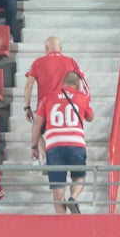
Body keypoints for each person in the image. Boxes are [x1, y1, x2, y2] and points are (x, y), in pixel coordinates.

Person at [33, 71, 92, 214]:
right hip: (76, 143)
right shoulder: (82, 97)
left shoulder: (48, 98)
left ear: (62, 83)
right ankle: (73, 197)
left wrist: (34, 146)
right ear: (77, 84)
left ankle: (61, 220)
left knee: (58, 188)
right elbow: (90, 117)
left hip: (54, 145)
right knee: (79, 176)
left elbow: (37, 124)